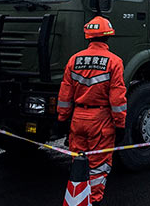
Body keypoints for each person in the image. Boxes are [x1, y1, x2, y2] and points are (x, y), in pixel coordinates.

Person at [57, 16, 127, 205]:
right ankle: (94, 201)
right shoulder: (114, 62)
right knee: (98, 166)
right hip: (100, 120)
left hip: (77, 119)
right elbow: (117, 98)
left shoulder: (74, 60)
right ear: (108, 37)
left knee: (78, 163)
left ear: (88, 37)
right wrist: (120, 124)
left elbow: (65, 94)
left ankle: (78, 199)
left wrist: (63, 119)